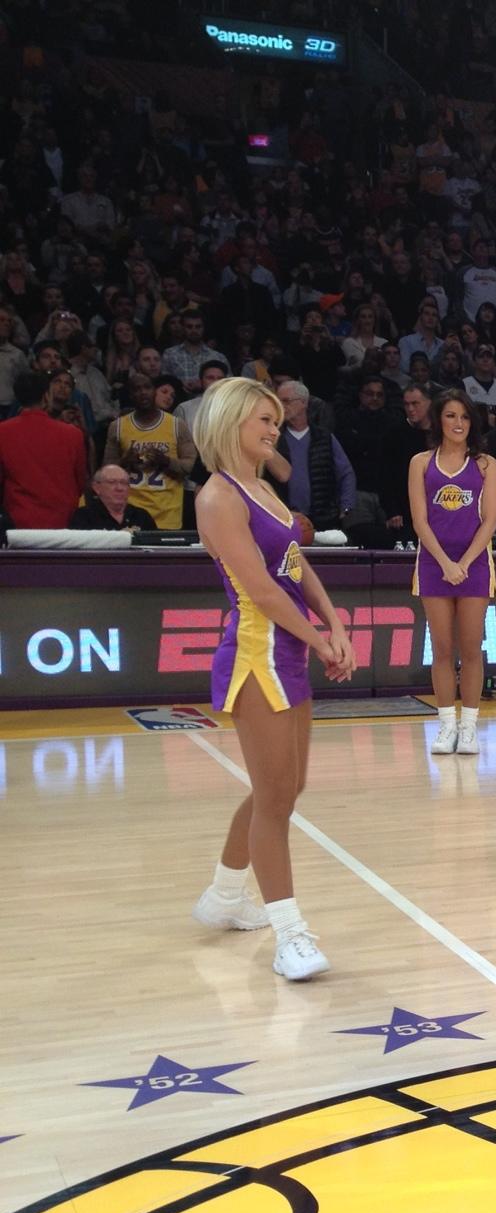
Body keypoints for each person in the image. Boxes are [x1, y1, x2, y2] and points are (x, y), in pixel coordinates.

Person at [190, 377, 356, 981]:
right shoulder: (217, 497)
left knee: (283, 789)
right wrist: (319, 638)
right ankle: (290, 935)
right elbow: (259, 589)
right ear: (228, 422)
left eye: (274, 419)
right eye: (261, 419)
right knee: (276, 793)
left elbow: (295, 566)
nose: (272, 428)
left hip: (290, 650)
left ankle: (224, 895)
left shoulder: (264, 489)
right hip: (255, 655)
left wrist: (334, 623)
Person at [409, 391, 496, 755]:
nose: (458, 423)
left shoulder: (486, 465)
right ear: (438, 420)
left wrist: (463, 562)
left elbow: (491, 520)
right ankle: (446, 725)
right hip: (434, 564)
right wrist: (446, 563)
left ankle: (470, 726)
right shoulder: (420, 462)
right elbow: (419, 519)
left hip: (474, 564)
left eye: (464, 417)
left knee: (472, 649)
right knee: (443, 649)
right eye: (450, 416)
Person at [263, 380, 357, 534]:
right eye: (278, 401)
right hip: (282, 518)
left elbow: (345, 472)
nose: (281, 406)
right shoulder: (273, 438)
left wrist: (346, 506)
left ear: (303, 403)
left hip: (322, 519)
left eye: (286, 401)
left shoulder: (324, 437)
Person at [105, 370, 194, 530]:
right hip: (130, 512)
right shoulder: (117, 427)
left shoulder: (176, 425)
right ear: (130, 395)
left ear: (154, 390)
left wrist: (166, 461)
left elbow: (191, 466)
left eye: (147, 387)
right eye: (136, 389)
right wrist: (124, 463)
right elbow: (106, 472)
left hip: (168, 514)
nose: (142, 392)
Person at [0, 369, 88, 527]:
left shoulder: (3, 432)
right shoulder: (73, 434)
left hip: (17, 526)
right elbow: (81, 483)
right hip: (63, 525)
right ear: (46, 396)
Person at [70, 462, 153, 530]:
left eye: (124, 483)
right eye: (112, 482)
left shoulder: (142, 516)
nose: (119, 488)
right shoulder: (84, 517)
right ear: (97, 488)